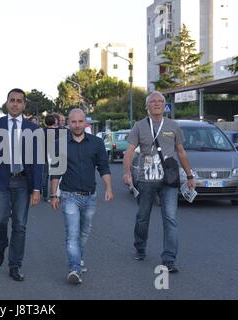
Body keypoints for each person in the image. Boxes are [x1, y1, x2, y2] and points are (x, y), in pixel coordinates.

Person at [123, 91, 195, 273]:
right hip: (145, 180)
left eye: (160, 101)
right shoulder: (139, 126)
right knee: (142, 218)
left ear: (164, 106)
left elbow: (181, 151)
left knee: (170, 219)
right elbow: (130, 151)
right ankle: (140, 247)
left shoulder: (173, 125)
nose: (156, 104)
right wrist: (127, 173)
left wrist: (189, 175)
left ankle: (169, 259)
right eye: (152, 101)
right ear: (147, 106)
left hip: (169, 180)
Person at [0, 88, 43, 282]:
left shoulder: (33, 129)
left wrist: (36, 188)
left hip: (23, 182)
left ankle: (14, 265)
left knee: (20, 225)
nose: (15, 103)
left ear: (24, 105)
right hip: (0, 182)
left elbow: (38, 160)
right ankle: (1, 246)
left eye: (19, 101)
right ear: (7, 103)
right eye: (12, 100)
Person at [50, 108, 113, 285]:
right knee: (72, 234)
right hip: (69, 195)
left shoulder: (97, 143)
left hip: (90, 196)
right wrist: (54, 194)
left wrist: (109, 187)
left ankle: (78, 258)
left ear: (85, 123)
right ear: (68, 123)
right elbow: (55, 171)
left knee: (84, 232)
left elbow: (104, 167)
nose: (77, 125)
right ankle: (74, 268)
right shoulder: (59, 144)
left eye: (80, 122)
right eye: (73, 122)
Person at [42, 113, 59, 201]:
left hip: (44, 156)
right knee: (55, 176)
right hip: (55, 156)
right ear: (54, 121)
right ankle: (54, 194)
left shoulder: (42, 131)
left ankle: (45, 195)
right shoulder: (58, 132)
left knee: (45, 176)